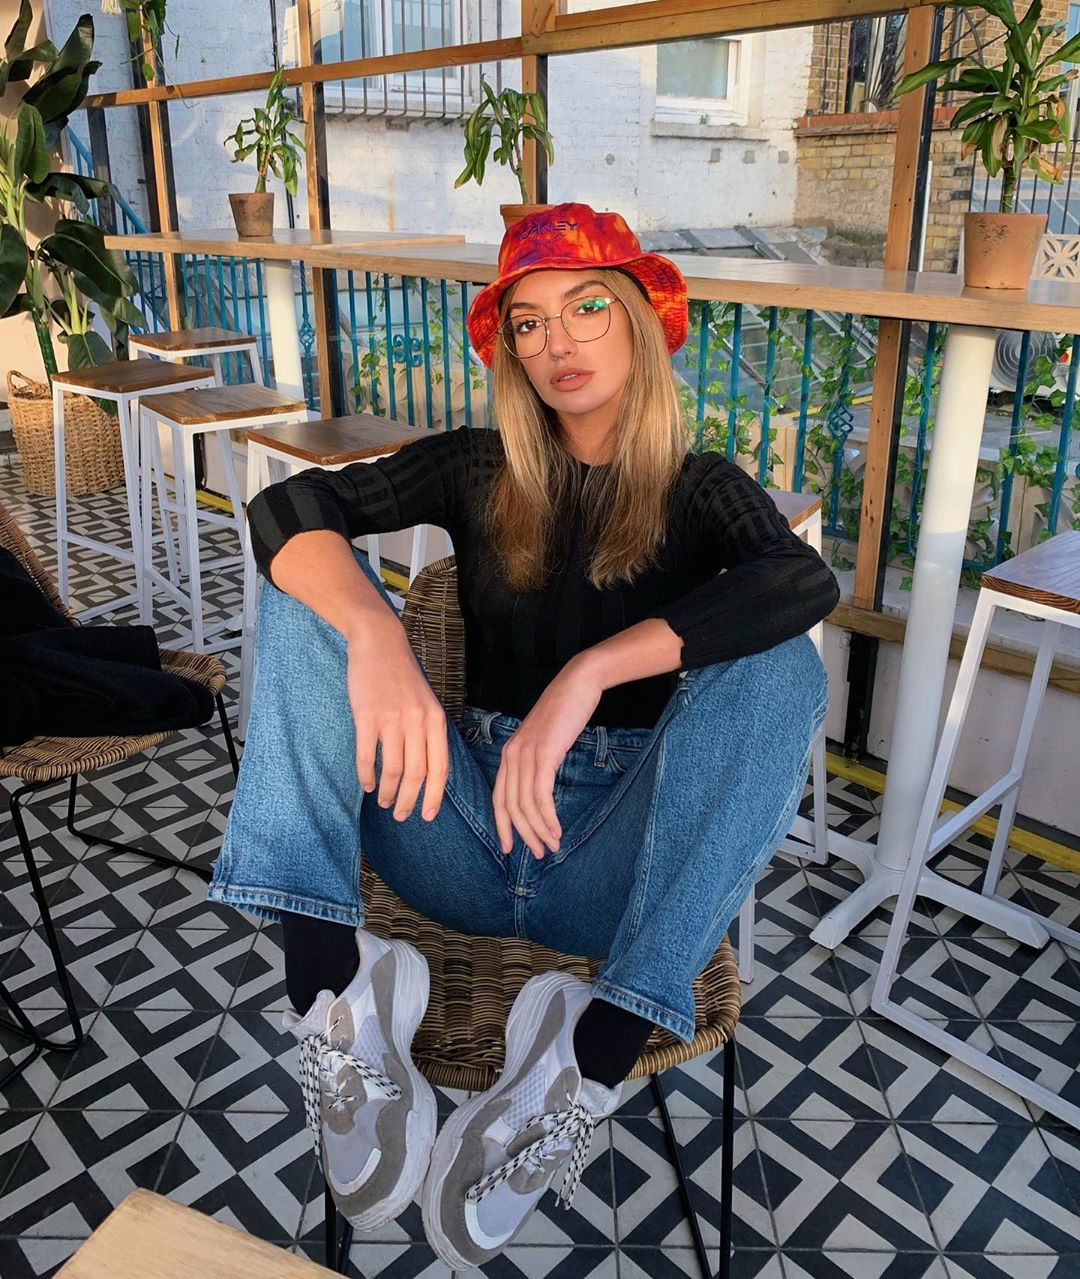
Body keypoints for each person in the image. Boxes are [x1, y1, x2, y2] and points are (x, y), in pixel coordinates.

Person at [209, 202, 839, 1270]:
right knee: (306, 587)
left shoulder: (701, 488)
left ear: (638, 319)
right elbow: (288, 506)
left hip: (614, 870)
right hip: (451, 827)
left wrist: (585, 679)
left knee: (784, 666)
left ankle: (586, 1059)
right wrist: (377, 634)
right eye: (530, 322)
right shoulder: (476, 465)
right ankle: (334, 991)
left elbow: (799, 582)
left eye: (586, 308)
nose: (558, 342)